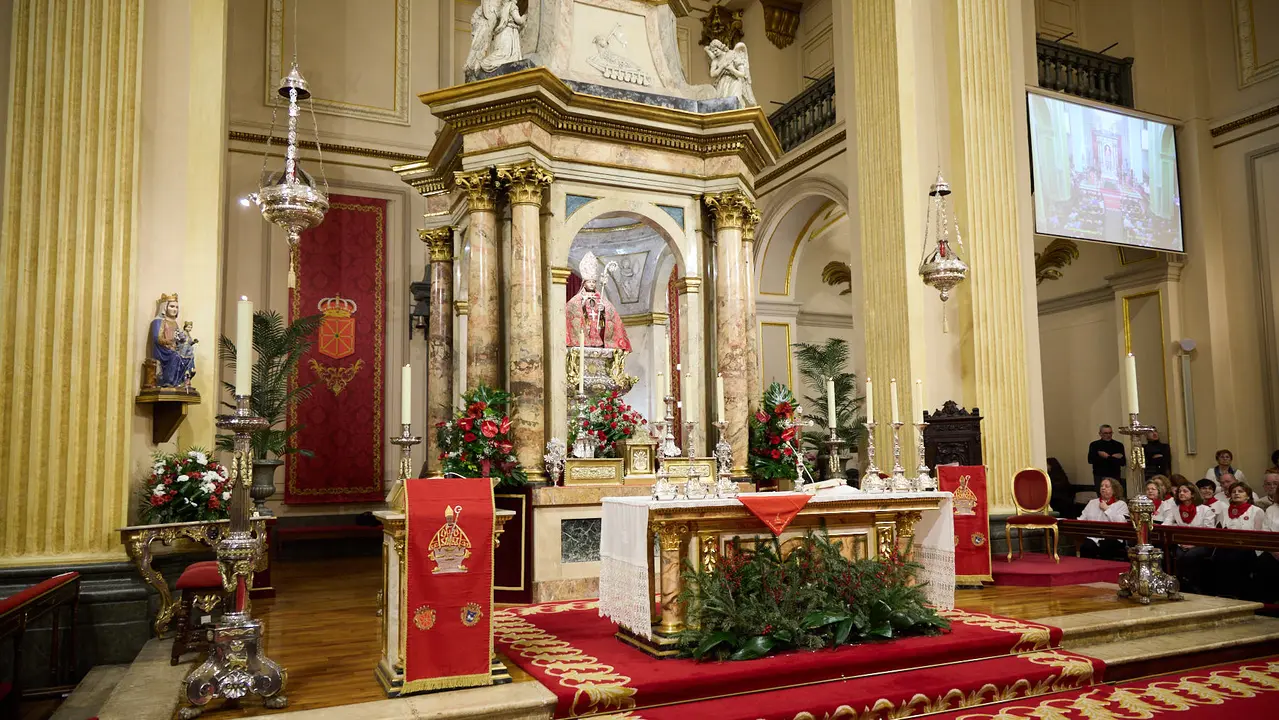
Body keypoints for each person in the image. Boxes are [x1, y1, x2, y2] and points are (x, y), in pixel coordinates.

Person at [1213, 481, 1266, 598]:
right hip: (1228, 546)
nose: (1236, 494)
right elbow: (1219, 529)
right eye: (1234, 492)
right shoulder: (1225, 511)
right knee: (1219, 555)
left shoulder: (1256, 511)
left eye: (1240, 491)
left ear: (1248, 495)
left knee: (1235, 557)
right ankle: (1222, 593)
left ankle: (1238, 593)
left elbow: (1258, 535)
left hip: (1249, 547)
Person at [1167, 481, 1216, 593]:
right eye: (1179, 491)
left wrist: (1194, 544)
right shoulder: (1175, 509)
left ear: (1193, 494)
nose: (1181, 493)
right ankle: (1181, 585)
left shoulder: (1204, 509)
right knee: (1178, 554)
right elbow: (1166, 524)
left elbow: (1209, 531)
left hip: (1201, 543)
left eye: (1185, 491)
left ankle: (1194, 585)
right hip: (1181, 543)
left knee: (1190, 555)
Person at [1078, 478, 1128, 560]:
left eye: (1107, 486)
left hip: (1112, 537)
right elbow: (1082, 519)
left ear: (1114, 490)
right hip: (1094, 537)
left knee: (1106, 546)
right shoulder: (1092, 503)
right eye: (1101, 486)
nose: (1103, 488)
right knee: (1086, 546)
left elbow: (1121, 522)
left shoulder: (1121, 504)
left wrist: (1107, 509)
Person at [1087, 425, 1126, 494]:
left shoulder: (1118, 445)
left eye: (1110, 433)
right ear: (1100, 434)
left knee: (1115, 495)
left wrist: (1107, 457)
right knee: (1101, 497)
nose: (1108, 435)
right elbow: (1091, 460)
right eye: (1106, 433)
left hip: (1114, 475)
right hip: (1100, 475)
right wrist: (1113, 458)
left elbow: (1123, 462)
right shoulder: (1094, 445)